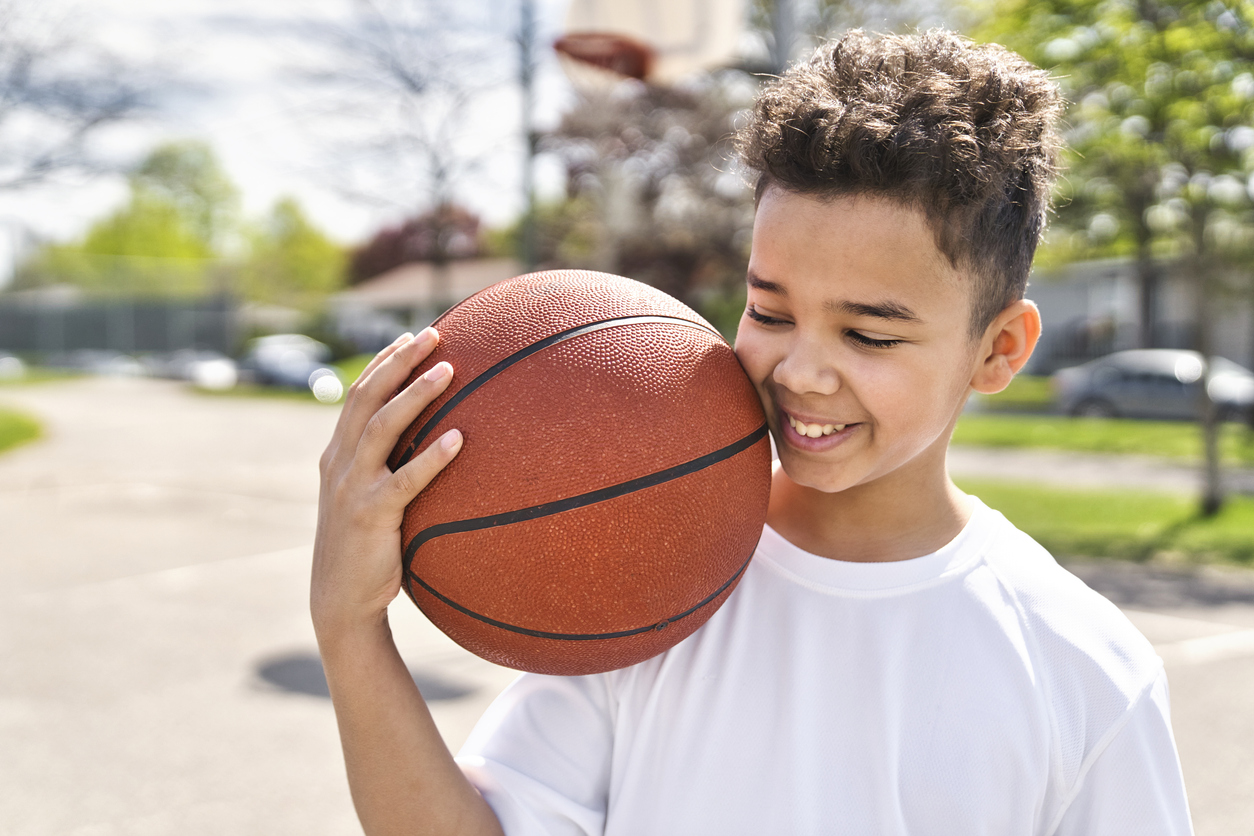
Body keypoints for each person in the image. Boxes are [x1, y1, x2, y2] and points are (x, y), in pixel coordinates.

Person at [311, 29, 1193, 836]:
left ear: (998, 350)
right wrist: (350, 630)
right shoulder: (651, 564)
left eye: (869, 334)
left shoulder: (1083, 670)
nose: (801, 371)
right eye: (769, 311)